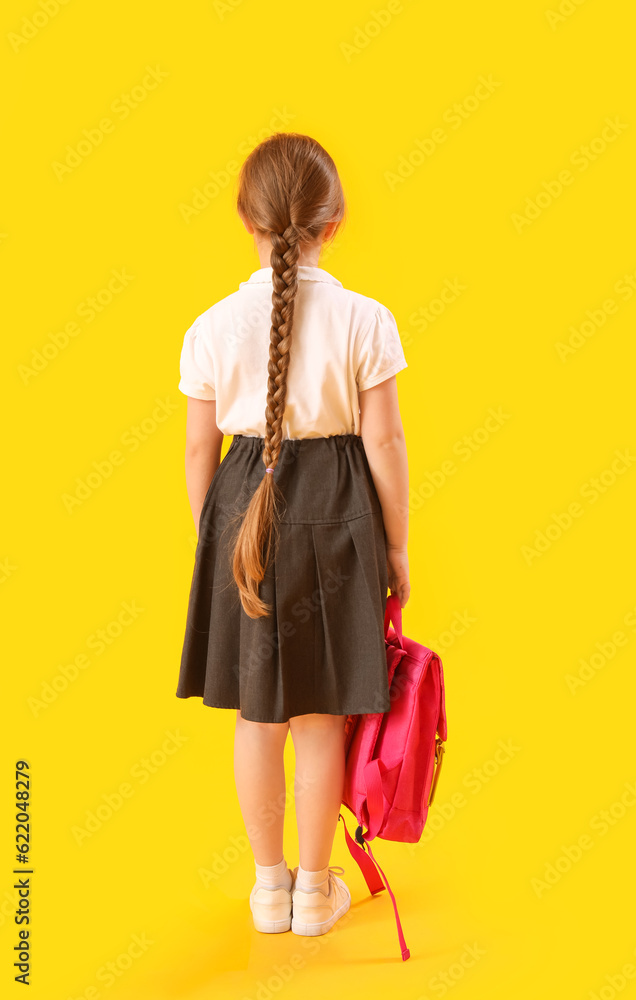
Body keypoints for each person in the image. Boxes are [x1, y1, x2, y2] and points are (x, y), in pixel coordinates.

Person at [175, 132, 410, 938]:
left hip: (246, 509)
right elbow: (384, 445)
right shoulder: (366, 320)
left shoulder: (209, 327)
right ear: (332, 224)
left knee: (257, 717)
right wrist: (398, 548)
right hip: (339, 514)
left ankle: (266, 890)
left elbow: (199, 453)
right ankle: (317, 891)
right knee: (319, 717)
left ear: (246, 219)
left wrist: (218, 540)